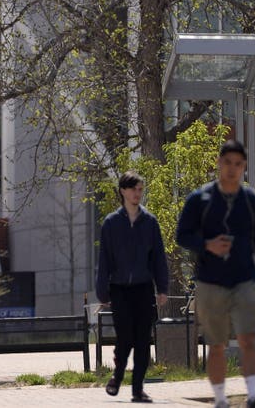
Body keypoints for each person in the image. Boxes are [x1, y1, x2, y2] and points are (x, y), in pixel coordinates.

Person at [176, 140, 255, 408]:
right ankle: (221, 400)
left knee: (248, 339)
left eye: (238, 164)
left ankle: (254, 397)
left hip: (246, 278)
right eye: (227, 162)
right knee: (217, 344)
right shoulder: (200, 199)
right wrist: (206, 245)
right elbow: (182, 235)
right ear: (219, 163)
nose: (232, 169)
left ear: (244, 167)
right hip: (211, 281)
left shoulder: (253, 201)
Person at [96, 171, 170, 404]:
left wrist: (162, 288)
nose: (137, 193)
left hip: (143, 288)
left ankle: (137, 389)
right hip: (119, 289)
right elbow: (104, 259)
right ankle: (118, 375)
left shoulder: (150, 222)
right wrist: (102, 291)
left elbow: (158, 257)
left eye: (140, 189)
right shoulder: (111, 223)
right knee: (125, 337)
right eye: (133, 189)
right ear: (123, 191)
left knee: (142, 340)